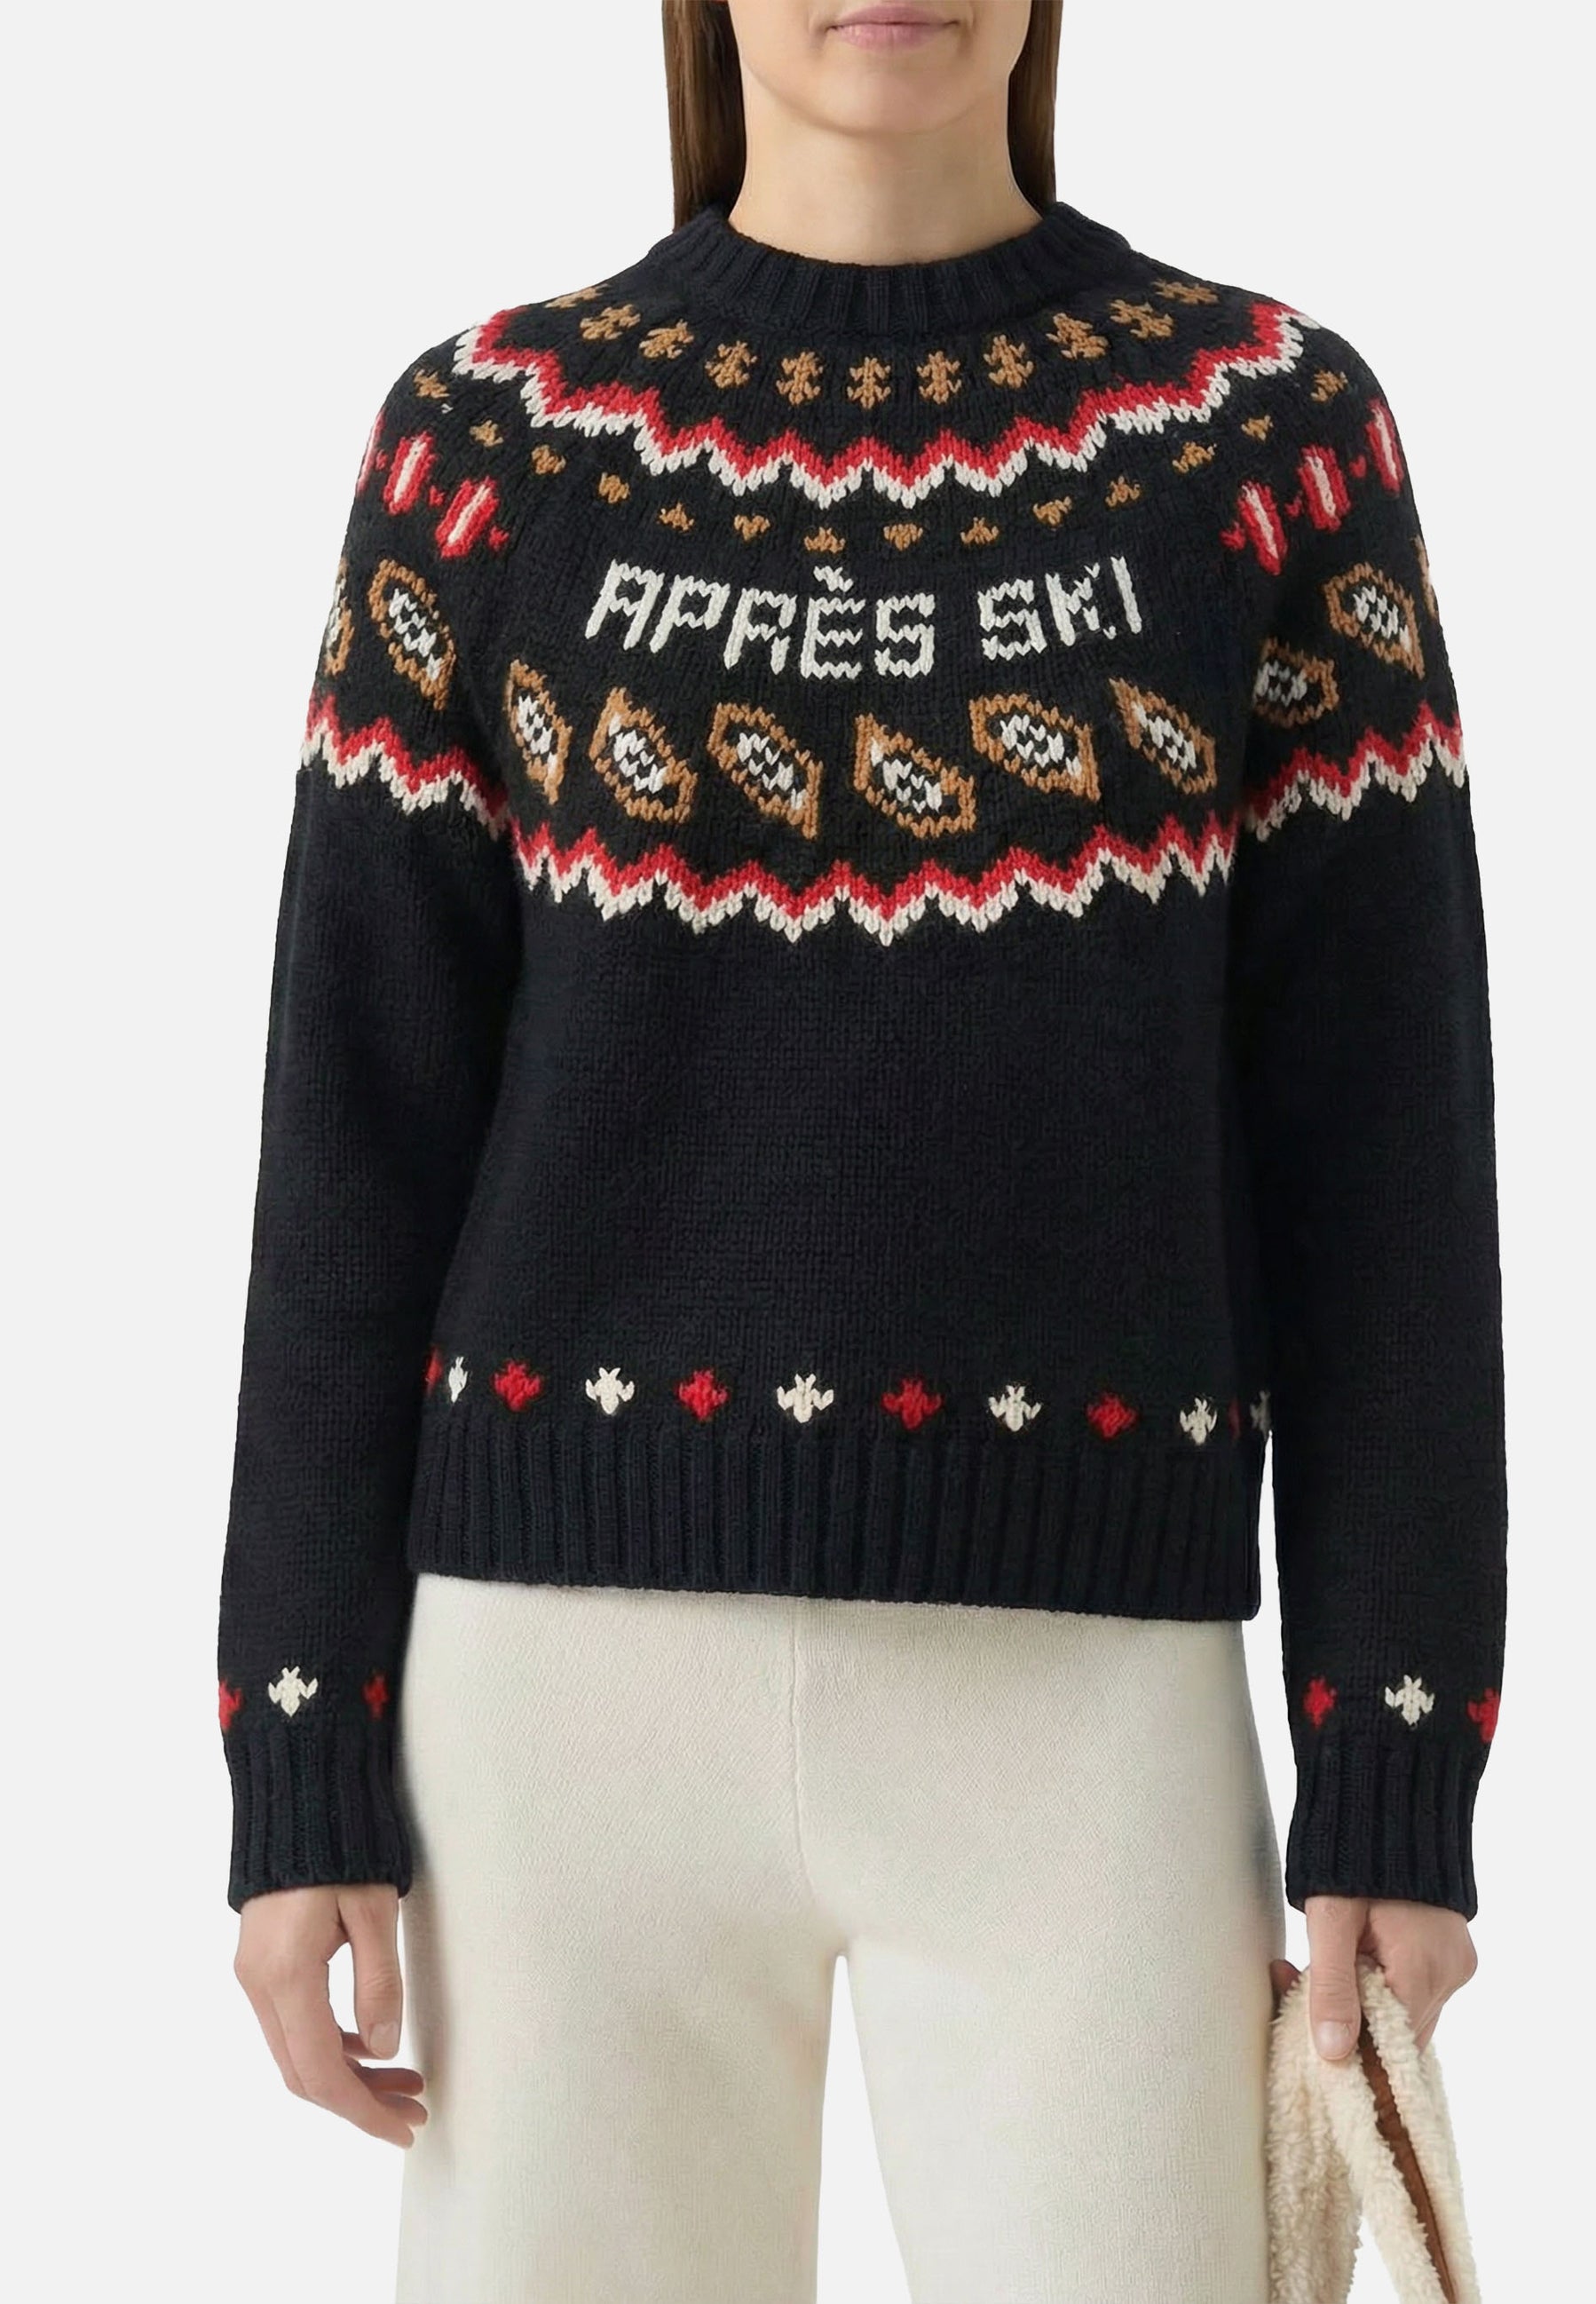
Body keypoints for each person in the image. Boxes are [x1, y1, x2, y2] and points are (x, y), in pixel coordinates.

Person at [217, 2, 1508, 2297]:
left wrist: (1393, 1754)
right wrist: (295, 1741)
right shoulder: (492, 438)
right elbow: (352, 1134)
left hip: (1086, 1703)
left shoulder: (1263, 434)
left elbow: (1383, 1136)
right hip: (556, 1700)